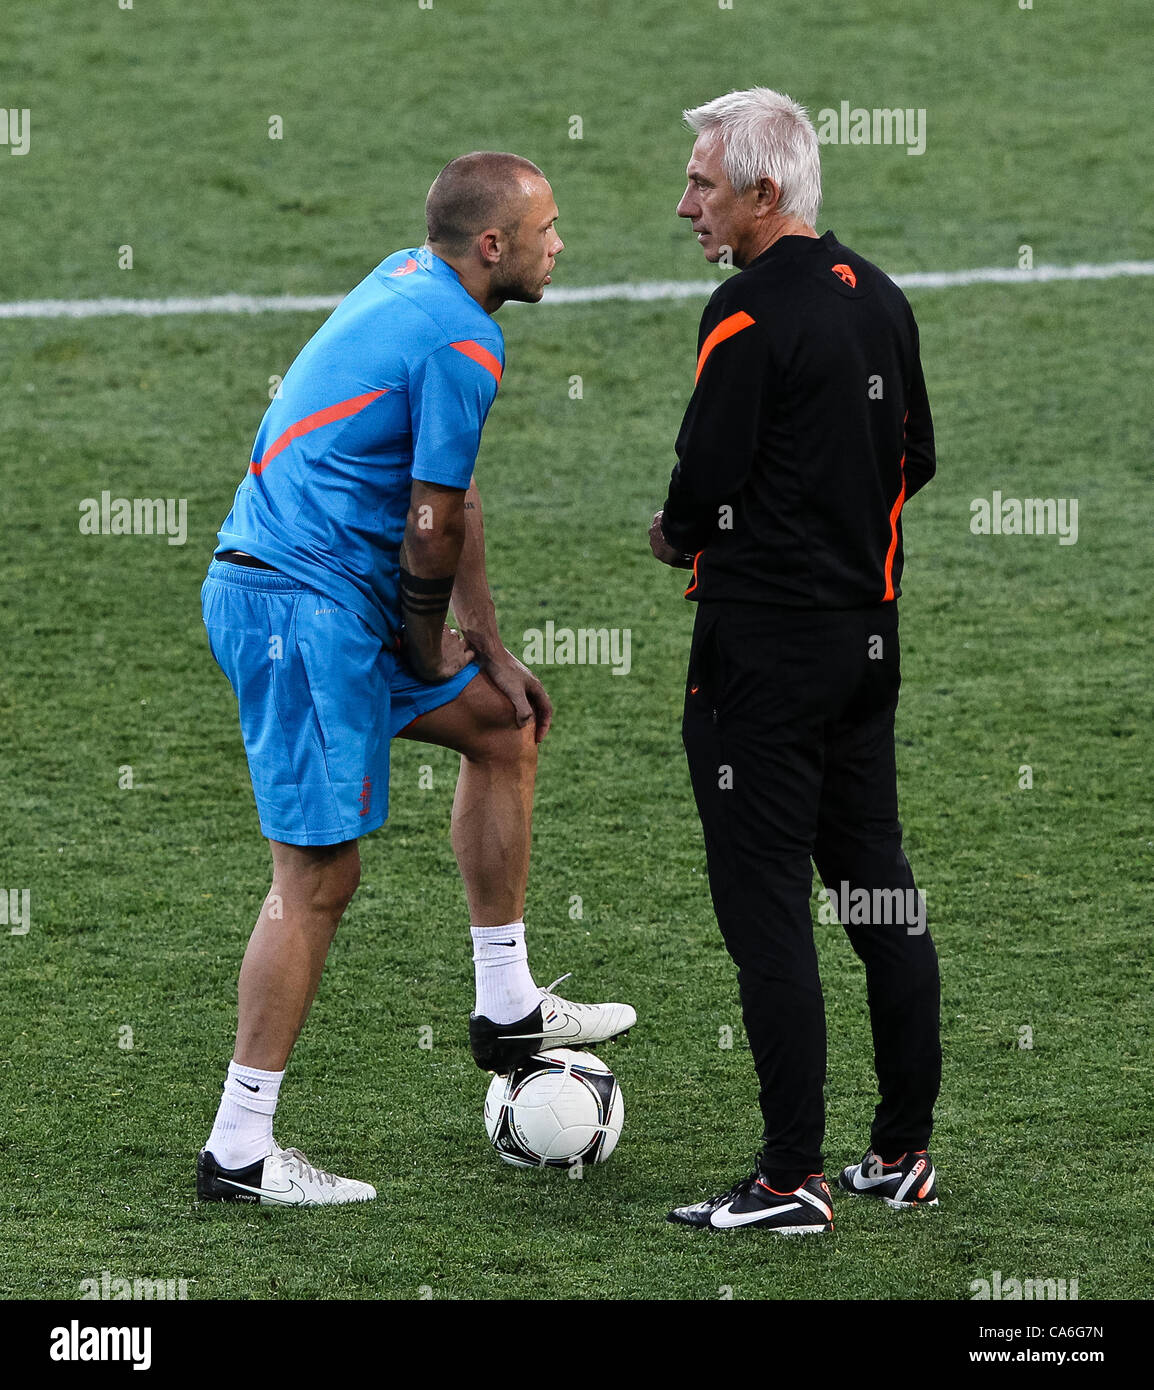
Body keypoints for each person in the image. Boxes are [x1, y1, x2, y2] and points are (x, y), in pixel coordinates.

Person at [197, 152, 636, 1207]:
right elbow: (427, 524)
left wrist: (481, 641)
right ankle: (239, 1149)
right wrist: (425, 636)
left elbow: (451, 489)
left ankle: (505, 1005)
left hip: (334, 601)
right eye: (547, 228)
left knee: (501, 723)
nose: (558, 245)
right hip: (299, 615)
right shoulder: (461, 335)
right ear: (495, 246)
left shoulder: (412, 279)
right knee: (317, 881)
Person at [649, 89, 941, 1234]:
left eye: (701, 186)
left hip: (761, 656)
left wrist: (685, 532)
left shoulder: (744, 313)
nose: (686, 206)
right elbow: (912, 453)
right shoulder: (878, 295)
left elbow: (700, 486)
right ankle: (902, 1153)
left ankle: (787, 1178)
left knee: (765, 910)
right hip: (866, 643)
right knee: (878, 892)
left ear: (762, 194)